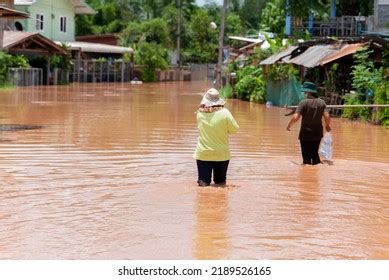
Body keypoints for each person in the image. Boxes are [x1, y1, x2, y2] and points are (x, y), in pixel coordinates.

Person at [193, 88, 239, 186]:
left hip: (204, 154)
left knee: (203, 184)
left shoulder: (200, 114)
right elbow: (235, 129)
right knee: (220, 184)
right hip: (221, 154)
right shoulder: (225, 113)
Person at [286, 82, 331, 165]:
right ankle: (315, 174)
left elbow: (296, 117)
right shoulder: (322, 102)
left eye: (305, 92)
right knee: (315, 156)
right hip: (317, 133)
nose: (304, 94)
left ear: (308, 92)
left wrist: (289, 125)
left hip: (305, 133)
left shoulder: (303, 103)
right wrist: (327, 125)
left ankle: (307, 175)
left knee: (306, 160)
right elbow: (327, 116)